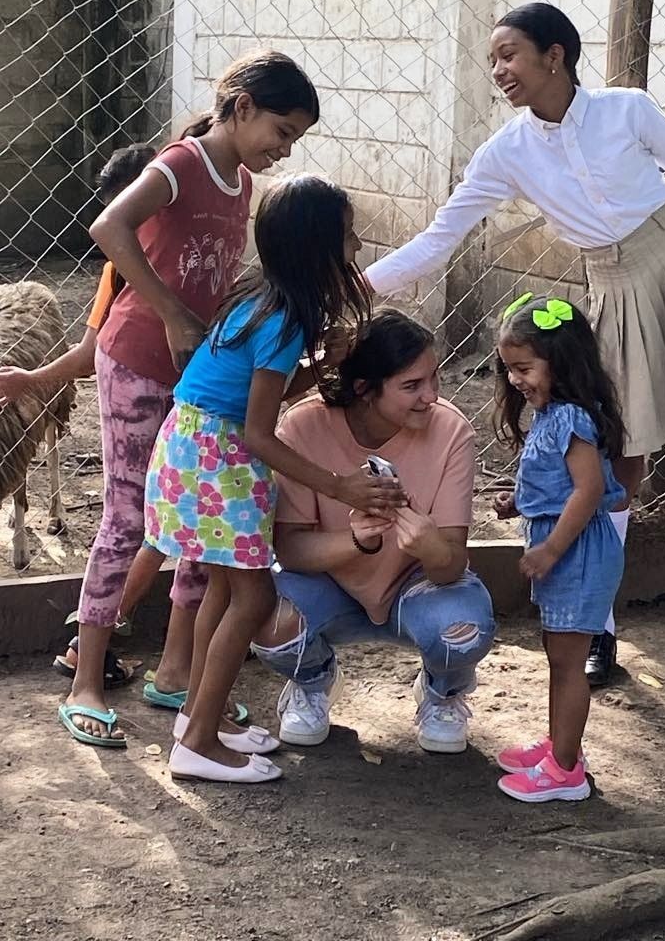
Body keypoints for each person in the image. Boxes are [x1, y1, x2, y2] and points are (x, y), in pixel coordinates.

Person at [363, 2, 665, 685]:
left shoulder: (626, 111)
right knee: (619, 460)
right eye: (494, 59)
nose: (499, 70)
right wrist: (355, 289)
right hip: (618, 290)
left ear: (556, 55)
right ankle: (596, 629)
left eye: (510, 54)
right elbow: (440, 237)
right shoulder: (507, 152)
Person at [57, 50, 320, 747]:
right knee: (126, 518)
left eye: (295, 138)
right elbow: (108, 226)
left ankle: (177, 673)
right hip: (138, 359)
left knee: (206, 523)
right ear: (239, 107)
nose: (282, 148)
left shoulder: (239, 182)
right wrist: (173, 313)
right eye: (281, 130)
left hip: (196, 375)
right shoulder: (181, 164)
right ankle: (86, 676)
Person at [146, 174, 403, 784]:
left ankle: (195, 718)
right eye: (347, 236)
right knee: (254, 597)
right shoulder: (286, 318)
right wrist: (340, 486)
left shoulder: (262, 297)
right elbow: (261, 431)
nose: (359, 246)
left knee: (224, 590)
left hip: (197, 445)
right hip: (220, 459)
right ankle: (200, 744)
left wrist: (319, 370)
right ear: (316, 246)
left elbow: (260, 397)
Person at [249, 309, 496, 756]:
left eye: (434, 378)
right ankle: (314, 680)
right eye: (412, 385)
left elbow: (453, 563)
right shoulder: (304, 425)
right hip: (329, 583)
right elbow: (290, 549)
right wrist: (358, 541)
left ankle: (442, 692)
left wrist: (431, 547)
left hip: (418, 587)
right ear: (364, 390)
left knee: (464, 630)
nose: (431, 396)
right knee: (263, 618)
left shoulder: (452, 429)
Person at [0, 144, 162, 681]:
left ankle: (141, 648)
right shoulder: (117, 270)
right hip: (135, 403)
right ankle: (93, 645)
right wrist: (34, 379)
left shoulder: (201, 256)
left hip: (192, 410)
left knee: (171, 525)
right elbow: (91, 352)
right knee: (131, 520)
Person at [493, 293, 625, 801]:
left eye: (523, 367)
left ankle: (566, 772)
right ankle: (560, 746)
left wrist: (549, 550)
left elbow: (588, 491)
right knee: (558, 656)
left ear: (560, 360)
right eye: (509, 369)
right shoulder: (553, 414)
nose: (515, 380)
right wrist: (519, 503)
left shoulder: (572, 418)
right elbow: (558, 486)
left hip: (578, 553)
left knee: (568, 662)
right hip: (566, 547)